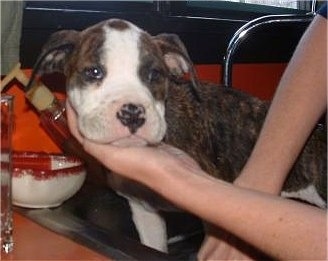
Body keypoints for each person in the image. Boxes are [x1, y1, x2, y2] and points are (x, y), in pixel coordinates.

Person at [66, 3, 327, 260]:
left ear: (175, 65)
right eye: (95, 73)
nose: (129, 107)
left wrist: (234, 218)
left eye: (152, 76)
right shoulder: (126, 153)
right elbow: (145, 209)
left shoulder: (181, 131)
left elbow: (213, 201)